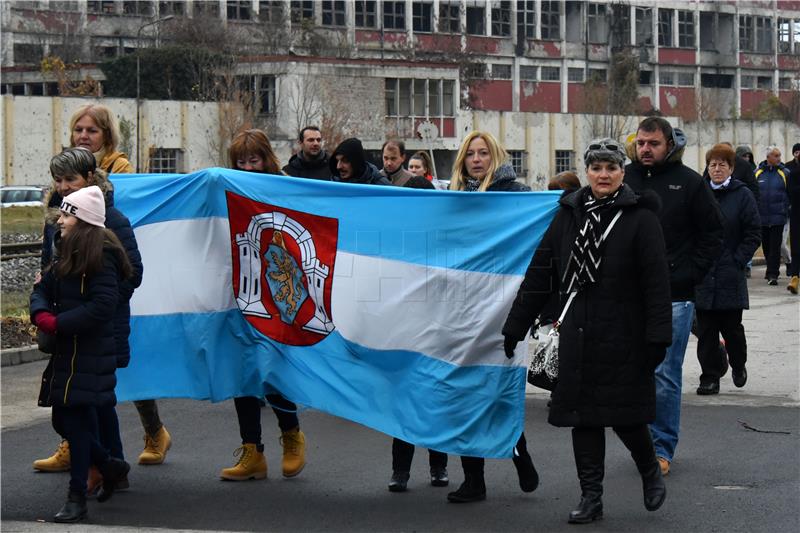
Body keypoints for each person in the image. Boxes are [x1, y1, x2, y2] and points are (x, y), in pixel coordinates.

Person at [503, 138, 671, 524]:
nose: (603, 175)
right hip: (576, 334)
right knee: (584, 419)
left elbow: (657, 283)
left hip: (625, 334)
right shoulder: (568, 214)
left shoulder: (641, 218)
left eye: (611, 168)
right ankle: (591, 497)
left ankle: (648, 470)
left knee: (627, 416)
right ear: (587, 172)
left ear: (622, 173)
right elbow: (541, 272)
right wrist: (516, 324)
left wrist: (659, 336)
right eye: (596, 168)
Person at [35, 107, 170, 475]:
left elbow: (132, 272)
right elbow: (50, 263)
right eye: (77, 128)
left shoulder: (111, 216)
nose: (64, 187)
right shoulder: (56, 212)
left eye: (91, 130)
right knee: (79, 404)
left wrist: (100, 304)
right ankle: (105, 463)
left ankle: (99, 468)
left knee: (93, 402)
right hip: (67, 323)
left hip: (98, 325)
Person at [624, 117, 724, 476]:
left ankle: (661, 447)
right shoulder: (625, 179)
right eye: (641, 143)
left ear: (669, 144)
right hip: (627, 295)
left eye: (654, 143)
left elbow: (713, 233)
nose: (646, 149)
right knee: (634, 371)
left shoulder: (690, 182)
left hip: (675, 296)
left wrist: (689, 273)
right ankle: (640, 442)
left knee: (665, 373)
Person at [445, 131, 538, 504]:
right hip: (459, 308)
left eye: (484, 153)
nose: (477, 159)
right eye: (471, 154)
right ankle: (473, 479)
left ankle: (519, 454)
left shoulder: (516, 196)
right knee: (464, 394)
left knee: (499, 391)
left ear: (495, 157)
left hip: (503, 307)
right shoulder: (451, 200)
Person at [31, 184, 133, 522]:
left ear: (83, 220)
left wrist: (58, 323)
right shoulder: (67, 250)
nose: (59, 220)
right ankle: (108, 465)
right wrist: (40, 313)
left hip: (90, 354)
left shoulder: (102, 256)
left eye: (65, 214)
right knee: (63, 418)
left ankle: (77, 496)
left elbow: (103, 306)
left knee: (75, 422)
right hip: (68, 353)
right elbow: (42, 288)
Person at [220, 129, 307, 481]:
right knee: (243, 371)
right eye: (240, 161)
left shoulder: (285, 187)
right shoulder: (227, 190)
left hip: (279, 293)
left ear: (266, 158)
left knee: (272, 371)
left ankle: (291, 435)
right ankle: (252, 451)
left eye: (253, 160)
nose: (247, 167)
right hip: (241, 290)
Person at [386, 174, 449, 492]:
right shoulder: (398, 238)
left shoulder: (442, 239)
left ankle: (439, 467)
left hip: (436, 331)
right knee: (405, 404)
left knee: (435, 402)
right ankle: (400, 470)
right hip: (406, 332)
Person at [695, 144, 761, 395]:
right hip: (703, 272)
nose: (717, 169)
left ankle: (738, 363)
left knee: (732, 329)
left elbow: (753, 232)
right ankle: (710, 376)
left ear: (731, 168)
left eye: (723, 164)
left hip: (729, 272)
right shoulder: (699, 193)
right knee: (706, 331)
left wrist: (738, 259)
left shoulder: (742, 195)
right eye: (713, 164)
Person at [755, 146, 790, 286]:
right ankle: (769, 270)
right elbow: (753, 193)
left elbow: (790, 192)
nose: (779, 159)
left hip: (778, 216)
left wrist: (786, 207)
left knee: (775, 246)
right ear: (768, 157)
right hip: (762, 216)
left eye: (779, 156)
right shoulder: (757, 173)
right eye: (776, 156)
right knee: (766, 246)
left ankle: (773, 274)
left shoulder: (785, 173)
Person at [787, 145, 800, 294]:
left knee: (796, 248)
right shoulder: (794, 174)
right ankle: (795, 277)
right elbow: (791, 192)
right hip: (796, 215)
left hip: (796, 215)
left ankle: (795, 276)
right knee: (796, 248)